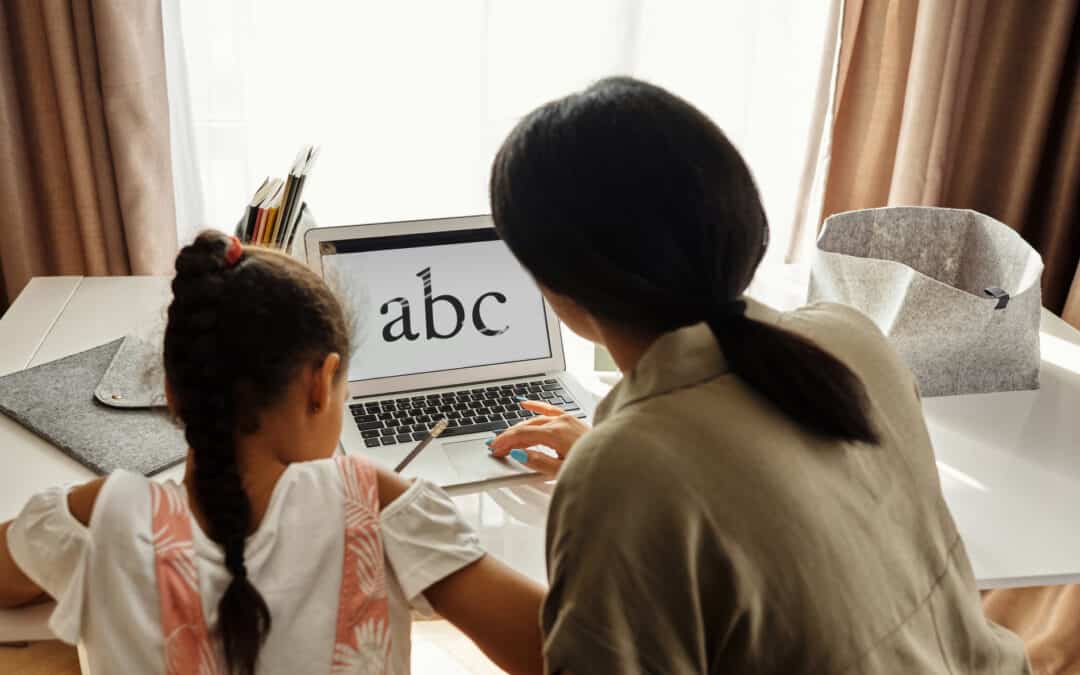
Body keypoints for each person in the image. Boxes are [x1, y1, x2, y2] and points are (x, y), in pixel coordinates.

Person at [486, 77, 1031, 674]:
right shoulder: (849, 337)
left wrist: (431, 545)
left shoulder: (627, 471)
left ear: (556, 283)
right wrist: (620, 464)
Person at [0, 233, 545, 675]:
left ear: (169, 391)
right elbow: (561, 653)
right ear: (320, 384)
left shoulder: (102, 514)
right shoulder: (372, 501)